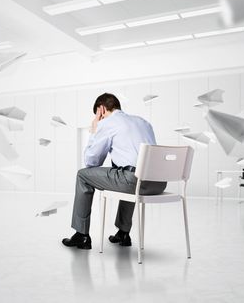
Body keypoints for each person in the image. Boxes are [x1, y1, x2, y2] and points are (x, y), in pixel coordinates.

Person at [62, 93, 166, 250]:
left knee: (83, 175)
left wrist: (95, 130)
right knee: (128, 174)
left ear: (101, 110)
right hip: (158, 183)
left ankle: (81, 235)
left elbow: (91, 161)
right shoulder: (143, 122)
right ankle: (123, 233)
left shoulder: (108, 123)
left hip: (134, 181)